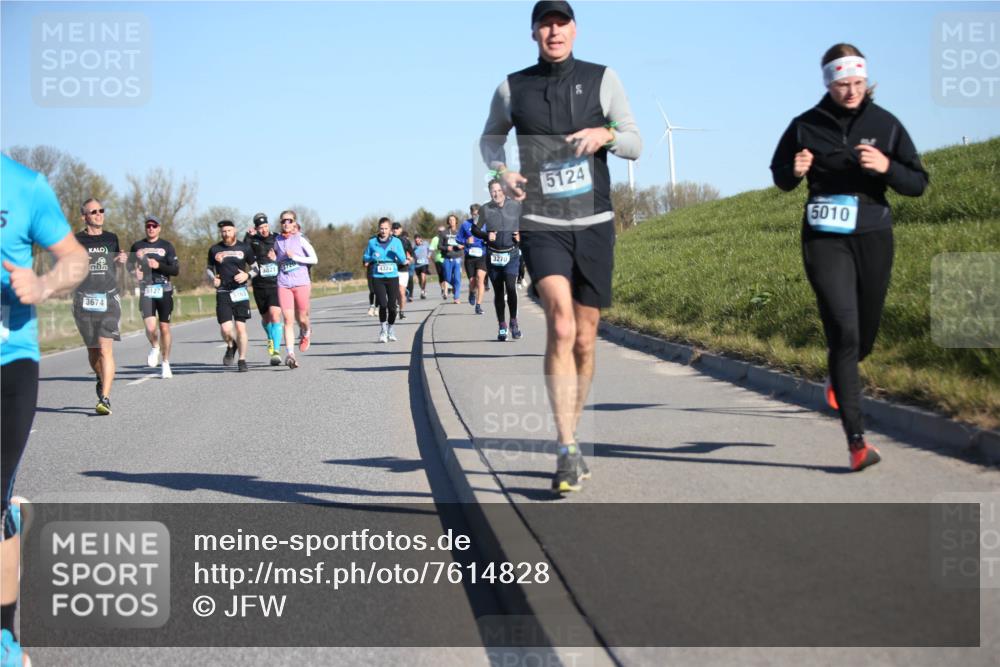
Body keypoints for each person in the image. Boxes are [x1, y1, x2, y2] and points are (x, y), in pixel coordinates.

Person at [480, 0, 641, 493]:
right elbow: (490, 140)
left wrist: (606, 133)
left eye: (561, 22)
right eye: (545, 23)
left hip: (594, 222)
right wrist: (501, 170)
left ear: (574, 29)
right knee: (561, 321)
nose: (554, 30)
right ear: (533, 33)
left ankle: (572, 434)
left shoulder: (602, 78)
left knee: (587, 339)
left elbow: (635, 142)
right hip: (543, 221)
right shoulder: (513, 87)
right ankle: (567, 444)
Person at [771, 43, 928, 472]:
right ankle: (857, 443)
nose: (852, 91)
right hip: (825, 237)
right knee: (844, 327)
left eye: (858, 83)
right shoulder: (804, 126)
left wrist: (886, 167)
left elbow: (917, 183)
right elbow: (780, 176)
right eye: (843, 84)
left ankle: (839, 376)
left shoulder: (885, 123)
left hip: (873, 233)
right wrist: (795, 171)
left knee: (865, 333)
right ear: (829, 82)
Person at [2, 154, 88, 667]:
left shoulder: (23, 186)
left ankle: (5, 641)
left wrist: (42, 286)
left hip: (8, 362)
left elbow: (74, 259)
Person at [73, 198, 128, 415]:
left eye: (101, 210)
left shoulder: (111, 238)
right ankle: (100, 376)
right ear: (84, 216)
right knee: (94, 352)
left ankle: (105, 398)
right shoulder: (76, 240)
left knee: (106, 349)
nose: (98, 214)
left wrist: (120, 259)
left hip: (109, 299)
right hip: (84, 299)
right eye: (93, 211)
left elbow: (115, 260)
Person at [127, 216, 179, 378]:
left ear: (159, 228)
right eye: (148, 226)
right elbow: (129, 265)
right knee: (150, 328)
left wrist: (159, 266)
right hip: (146, 290)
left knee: (164, 327)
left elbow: (175, 270)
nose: (151, 228)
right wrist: (134, 271)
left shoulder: (167, 246)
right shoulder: (137, 246)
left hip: (164, 290)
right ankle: (155, 347)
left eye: (154, 226)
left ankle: (165, 363)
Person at [473, 180, 523, 341]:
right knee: (499, 292)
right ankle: (502, 325)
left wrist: (520, 235)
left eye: (499, 190)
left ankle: (514, 322)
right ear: (490, 193)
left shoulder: (515, 206)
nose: (496, 193)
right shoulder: (485, 209)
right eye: (493, 191)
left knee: (510, 287)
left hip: (511, 254)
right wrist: (486, 236)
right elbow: (474, 229)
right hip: (493, 255)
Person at [206, 219, 257, 372]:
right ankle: (231, 345)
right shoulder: (215, 249)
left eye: (228, 230)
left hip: (240, 291)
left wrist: (247, 276)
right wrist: (212, 278)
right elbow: (209, 269)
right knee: (226, 329)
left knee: (241, 328)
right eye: (223, 231)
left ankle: (242, 359)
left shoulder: (244, 247)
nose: (226, 234)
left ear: (234, 230)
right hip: (223, 292)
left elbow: (256, 268)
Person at [274, 210, 317, 368]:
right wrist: (275, 259)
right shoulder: (276, 240)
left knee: (302, 318)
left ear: (294, 223)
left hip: (301, 282)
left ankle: (306, 332)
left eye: (289, 220)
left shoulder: (301, 239)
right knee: (287, 320)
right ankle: (290, 354)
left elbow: (314, 259)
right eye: (283, 221)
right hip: (284, 283)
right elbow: (278, 259)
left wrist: (295, 257)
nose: (286, 223)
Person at [244, 213, 284, 366]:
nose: (264, 230)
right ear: (256, 228)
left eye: (266, 226)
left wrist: (277, 257)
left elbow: (286, 254)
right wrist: (247, 237)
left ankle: (276, 351)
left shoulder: (277, 238)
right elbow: (243, 253)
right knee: (266, 319)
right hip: (259, 285)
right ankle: (270, 337)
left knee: (275, 315)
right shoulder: (252, 240)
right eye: (260, 228)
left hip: (276, 283)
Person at [363, 218, 408, 343]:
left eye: (386, 228)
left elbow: (403, 259)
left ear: (390, 230)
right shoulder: (372, 242)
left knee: (392, 307)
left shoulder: (396, 242)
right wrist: (372, 257)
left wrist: (395, 254)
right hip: (378, 277)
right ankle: (383, 329)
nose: (383, 231)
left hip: (392, 276)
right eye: (381, 228)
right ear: (379, 229)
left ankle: (391, 328)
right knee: (382, 304)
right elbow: (365, 256)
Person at [458, 204, 488, 314]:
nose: (476, 216)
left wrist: (487, 240)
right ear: (471, 213)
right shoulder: (465, 224)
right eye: (474, 214)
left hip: (482, 255)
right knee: (472, 281)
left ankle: (478, 306)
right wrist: (466, 242)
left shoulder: (486, 224)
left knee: (480, 278)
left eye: (478, 214)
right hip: (470, 257)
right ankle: (471, 292)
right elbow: (458, 239)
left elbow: (492, 237)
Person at [438, 215, 464, 304]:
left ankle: (456, 297)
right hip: (447, 258)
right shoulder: (443, 233)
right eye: (450, 220)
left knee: (457, 278)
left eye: (453, 220)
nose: (451, 221)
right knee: (447, 278)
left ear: (456, 221)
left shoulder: (460, 232)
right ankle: (454, 287)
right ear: (448, 222)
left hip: (457, 258)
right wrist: (446, 248)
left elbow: (465, 243)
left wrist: (462, 246)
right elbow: (439, 246)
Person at [391, 223, 413, 319]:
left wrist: (409, 259)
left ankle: (401, 311)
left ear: (400, 229)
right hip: (391, 269)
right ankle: (395, 305)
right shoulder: (388, 240)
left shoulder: (405, 240)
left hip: (403, 269)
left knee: (401, 291)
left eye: (397, 228)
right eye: (393, 228)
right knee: (393, 291)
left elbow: (411, 254)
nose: (395, 230)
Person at [428, 225, 448, 300]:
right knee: (441, 276)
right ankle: (442, 289)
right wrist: (429, 255)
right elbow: (431, 249)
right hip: (438, 260)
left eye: (442, 231)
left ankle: (445, 292)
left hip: (446, 259)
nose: (441, 233)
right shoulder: (435, 239)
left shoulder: (447, 237)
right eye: (439, 231)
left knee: (446, 276)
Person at [412, 234, 430, 299]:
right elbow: (411, 254)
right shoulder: (413, 247)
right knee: (420, 279)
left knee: (423, 277)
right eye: (416, 241)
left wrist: (429, 255)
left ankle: (422, 291)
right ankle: (423, 290)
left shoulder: (425, 244)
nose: (417, 242)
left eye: (418, 240)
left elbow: (430, 250)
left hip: (424, 263)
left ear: (420, 239)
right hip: (417, 265)